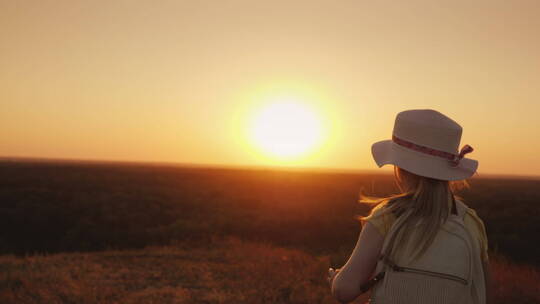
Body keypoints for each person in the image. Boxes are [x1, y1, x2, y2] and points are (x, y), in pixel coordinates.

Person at [327, 109, 492, 304]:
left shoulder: (388, 215)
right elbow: (482, 289)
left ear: (401, 170)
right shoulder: (470, 222)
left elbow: (344, 290)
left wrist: (335, 280)